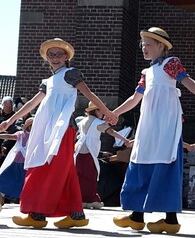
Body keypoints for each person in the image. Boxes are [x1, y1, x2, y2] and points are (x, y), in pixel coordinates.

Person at [0, 38, 118, 229]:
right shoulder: (47, 82)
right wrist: (10, 120)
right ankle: (76, 214)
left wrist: (108, 112)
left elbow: (89, 94)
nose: (55, 58)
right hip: (47, 129)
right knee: (64, 170)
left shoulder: (70, 74)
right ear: (46, 58)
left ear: (66, 57)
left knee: (49, 168)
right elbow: (32, 104)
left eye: (59, 54)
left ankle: (37, 214)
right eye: (51, 55)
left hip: (62, 129)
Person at [112, 27, 195, 234]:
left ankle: (170, 219)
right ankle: (136, 215)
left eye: (148, 44)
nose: (144, 48)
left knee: (166, 165)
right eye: (142, 44)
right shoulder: (147, 72)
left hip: (166, 124)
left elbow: (189, 82)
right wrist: (114, 113)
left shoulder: (171, 63)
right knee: (140, 161)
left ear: (161, 46)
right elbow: (135, 98)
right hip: (148, 124)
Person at [75, 101, 132, 209]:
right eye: (101, 110)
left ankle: (81, 199)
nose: (103, 113)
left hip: (79, 152)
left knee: (80, 176)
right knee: (90, 176)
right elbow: (111, 132)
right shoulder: (97, 122)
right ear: (96, 110)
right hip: (89, 152)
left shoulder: (82, 120)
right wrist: (125, 140)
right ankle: (91, 199)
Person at [0, 117, 33, 211]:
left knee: (26, 187)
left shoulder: (37, 136)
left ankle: (30, 208)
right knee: (3, 181)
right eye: (30, 125)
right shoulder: (21, 135)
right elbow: (10, 136)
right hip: (15, 164)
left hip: (28, 166)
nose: (31, 127)